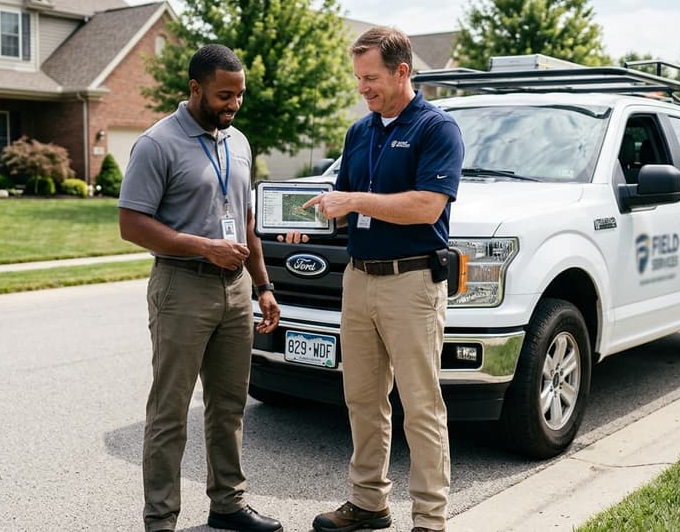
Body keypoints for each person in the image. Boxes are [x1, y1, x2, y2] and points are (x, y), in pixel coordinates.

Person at [282, 26, 463, 532]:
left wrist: (354, 201)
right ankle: (368, 502)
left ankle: (430, 519)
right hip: (358, 279)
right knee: (362, 398)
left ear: (402, 71)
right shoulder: (359, 132)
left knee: (420, 406)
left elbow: (427, 206)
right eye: (358, 78)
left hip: (412, 283)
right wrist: (309, 223)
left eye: (370, 78)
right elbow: (343, 205)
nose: (362, 88)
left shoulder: (436, 128)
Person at [119, 44, 283, 532]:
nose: (234, 104)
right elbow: (131, 224)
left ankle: (228, 504)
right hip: (181, 286)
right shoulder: (157, 144)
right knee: (169, 412)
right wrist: (203, 247)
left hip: (235, 289)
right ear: (195, 88)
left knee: (229, 406)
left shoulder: (239, 142)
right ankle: (161, 520)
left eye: (240, 94)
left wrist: (263, 285)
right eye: (224, 95)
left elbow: (247, 220)